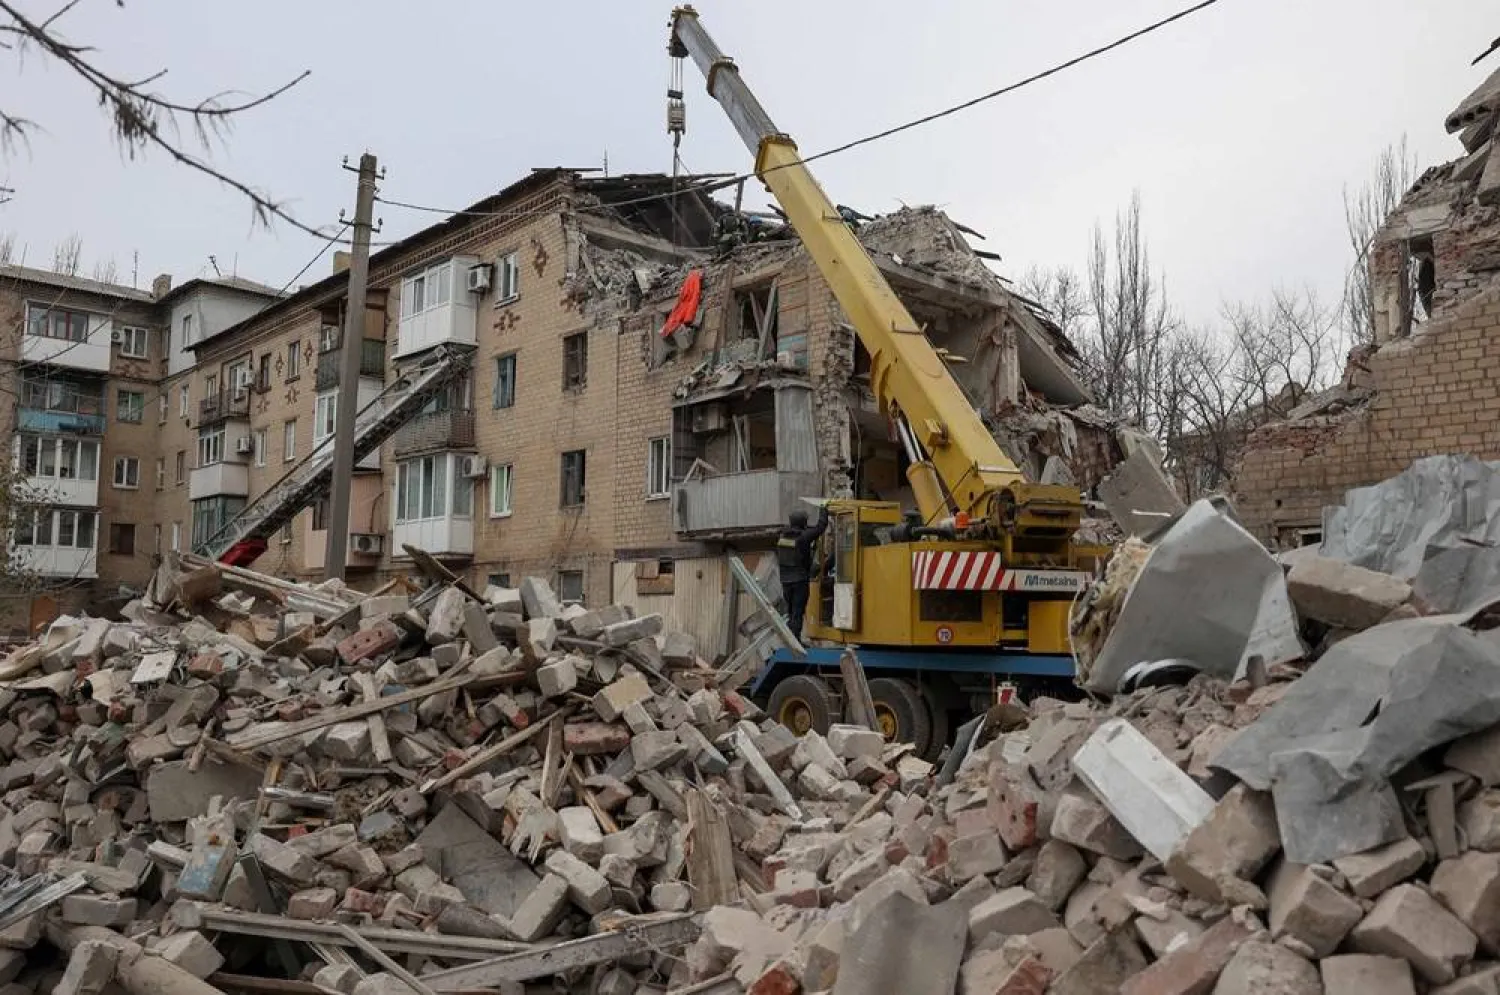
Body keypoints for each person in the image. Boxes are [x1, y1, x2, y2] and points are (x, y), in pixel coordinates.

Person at [777, 505, 829, 638]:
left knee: (791, 612)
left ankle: (790, 638)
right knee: (798, 611)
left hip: (785, 581)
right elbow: (820, 527)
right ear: (803, 522)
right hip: (799, 580)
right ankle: (795, 640)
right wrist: (824, 508)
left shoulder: (783, 536)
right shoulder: (804, 537)